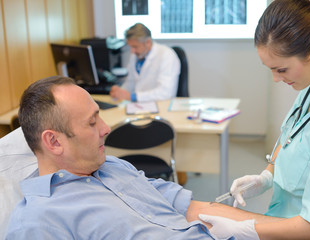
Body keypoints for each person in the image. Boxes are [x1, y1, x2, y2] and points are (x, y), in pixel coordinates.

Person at [5, 76, 249, 239]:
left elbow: (190, 207)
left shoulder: (113, 166)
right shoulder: (37, 221)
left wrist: (277, 229)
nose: (106, 128)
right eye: (92, 122)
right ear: (54, 142)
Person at [199, 0, 310, 239]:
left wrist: (247, 229)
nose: (276, 79)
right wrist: (266, 176)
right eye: (271, 69)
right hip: (281, 221)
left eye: (281, 69)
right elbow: (291, 138)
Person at [110, 23, 181, 102]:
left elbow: (165, 93)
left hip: (161, 107)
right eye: (130, 47)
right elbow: (130, 83)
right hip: (139, 107)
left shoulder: (167, 55)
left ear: (148, 42)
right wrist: (119, 92)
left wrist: (133, 96)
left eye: (135, 47)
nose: (132, 51)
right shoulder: (136, 56)